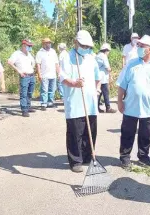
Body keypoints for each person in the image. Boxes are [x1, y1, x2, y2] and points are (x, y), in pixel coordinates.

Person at [117, 35, 150, 168]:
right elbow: (122, 85)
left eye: (142, 46)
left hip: (149, 108)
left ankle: (143, 156)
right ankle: (125, 156)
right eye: (139, 46)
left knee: (146, 134)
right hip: (131, 106)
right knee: (127, 133)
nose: (139, 48)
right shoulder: (131, 64)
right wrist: (119, 101)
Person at [60, 30, 101, 173]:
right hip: (75, 102)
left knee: (90, 132)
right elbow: (63, 77)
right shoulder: (67, 57)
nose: (86, 49)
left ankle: (88, 156)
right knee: (75, 133)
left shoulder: (91, 58)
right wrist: (74, 83)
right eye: (83, 46)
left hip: (90, 102)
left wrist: (97, 89)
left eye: (88, 47)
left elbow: (98, 76)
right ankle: (75, 160)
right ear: (75, 43)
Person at [7, 39, 36, 117]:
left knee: (30, 93)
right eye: (28, 46)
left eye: (30, 46)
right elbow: (9, 62)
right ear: (23, 45)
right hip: (24, 76)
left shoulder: (29, 54)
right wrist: (19, 71)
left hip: (31, 75)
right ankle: (24, 110)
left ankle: (28, 106)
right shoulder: (17, 54)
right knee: (23, 93)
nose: (30, 47)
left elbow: (33, 63)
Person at [36, 38, 60, 110]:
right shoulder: (40, 53)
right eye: (47, 43)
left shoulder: (53, 51)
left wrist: (58, 73)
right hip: (44, 75)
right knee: (44, 90)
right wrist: (39, 74)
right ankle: (43, 104)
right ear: (43, 44)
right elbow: (38, 65)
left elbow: (56, 63)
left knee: (52, 90)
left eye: (49, 43)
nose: (49, 44)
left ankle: (50, 102)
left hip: (53, 74)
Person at [96, 43, 117, 113]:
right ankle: (108, 108)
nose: (108, 53)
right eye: (108, 51)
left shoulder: (98, 55)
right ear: (106, 50)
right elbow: (107, 68)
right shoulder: (103, 56)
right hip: (103, 78)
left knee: (99, 93)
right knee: (106, 93)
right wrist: (111, 70)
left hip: (98, 78)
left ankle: (96, 107)